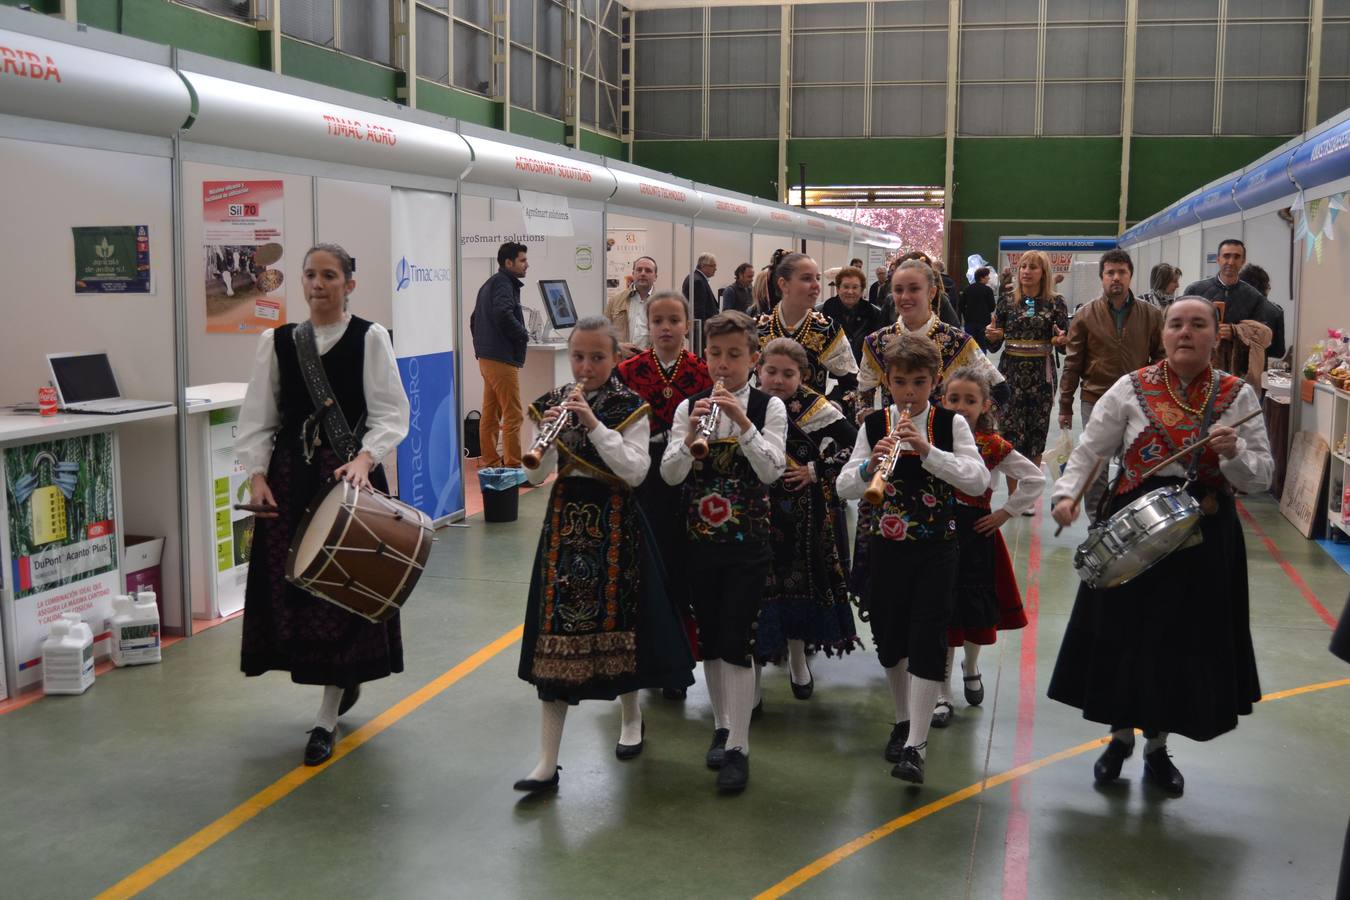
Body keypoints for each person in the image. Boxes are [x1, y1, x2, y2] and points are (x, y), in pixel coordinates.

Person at [1048, 296, 1273, 798]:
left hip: (1204, 536)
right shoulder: (1131, 387)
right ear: (1163, 335)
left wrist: (1234, 456)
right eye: (1176, 324)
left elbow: (1261, 478)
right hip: (1132, 529)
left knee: (1180, 643)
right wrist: (1066, 496)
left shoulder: (1239, 396)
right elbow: (1092, 449)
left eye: (1198, 325)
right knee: (1124, 636)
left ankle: (1156, 747)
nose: (1185, 333)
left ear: (1217, 336)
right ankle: (1120, 738)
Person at [238, 243, 411, 766]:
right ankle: (338, 684)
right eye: (310, 275)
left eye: (329, 275)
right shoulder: (278, 342)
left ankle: (326, 715)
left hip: (348, 479)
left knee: (343, 592)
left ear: (349, 283)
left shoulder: (369, 337)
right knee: (298, 591)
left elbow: (390, 413)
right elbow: (260, 417)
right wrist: (257, 475)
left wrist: (365, 459)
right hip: (292, 481)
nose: (318, 284)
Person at [514, 316, 695, 795]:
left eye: (597, 357)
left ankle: (631, 719)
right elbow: (533, 478)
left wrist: (592, 425)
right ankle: (547, 761)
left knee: (624, 624)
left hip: (615, 521)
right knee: (554, 633)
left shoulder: (629, 406)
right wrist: (546, 434)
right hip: (564, 524)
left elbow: (636, 471)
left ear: (616, 359)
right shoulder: (550, 404)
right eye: (578, 356)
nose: (586, 366)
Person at [836, 334, 989, 786]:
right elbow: (844, 485)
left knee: (927, 636)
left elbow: (977, 480)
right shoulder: (872, 426)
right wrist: (869, 467)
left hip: (937, 548)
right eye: (900, 382)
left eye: (918, 384)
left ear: (934, 382)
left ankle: (916, 746)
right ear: (887, 380)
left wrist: (927, 451)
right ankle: (903, 720)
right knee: (890, 637)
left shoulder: (950, 424)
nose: (908, 393)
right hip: (884, 546)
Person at [661, 311, 787, 793]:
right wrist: (691, 436)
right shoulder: (688, 407)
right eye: (715, 354)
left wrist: (742, 424)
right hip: (700, 540)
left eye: (735, 355)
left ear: (754, 358)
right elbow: (670, 475)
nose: (723, 365)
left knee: (737, 639)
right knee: (711, 638)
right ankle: (722, 724)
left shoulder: (768, 406)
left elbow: (772, 471)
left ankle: (739, 744)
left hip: (748, 540)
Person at [931, 367, 1041, 727]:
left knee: (974, 608)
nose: (961, 407)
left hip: (976, 533)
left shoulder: (992, 445)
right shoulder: (932, 438)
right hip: (938, 534)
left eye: (970, 400)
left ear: (985, 405)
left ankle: (972, 665)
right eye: (954, 399)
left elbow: (1034, 478)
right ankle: (942, 691)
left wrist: (1005, 513)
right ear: (942, 401)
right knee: (943, 609)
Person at [617, 291, 713, 700]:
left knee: (681, 568)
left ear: (686, 324)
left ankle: (679, 662)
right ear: (649, 325)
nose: (666, 328)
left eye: (674, 320)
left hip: (690, 476)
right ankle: (645, 657)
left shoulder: (704, 371)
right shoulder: (628, 371)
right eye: (658, 320)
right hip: (642, 476)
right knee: (646, 566)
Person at [755, 337, 862, 700]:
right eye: (771, 371)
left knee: (800, 584)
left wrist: (815, 470)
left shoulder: (818, 408)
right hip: (754, 513)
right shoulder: (748, 405)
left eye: (788, 374)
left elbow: (854, 448)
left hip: (803, 515)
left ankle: (799, 660)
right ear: (758, 369)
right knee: (757, 589)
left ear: (803, 375)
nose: (778, 380)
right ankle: (752, 675)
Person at [1057, 249, 1164, 521]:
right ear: (1102, 277)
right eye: (1110, 273)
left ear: (1130, 276)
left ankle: (1134, 520)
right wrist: (1065, 405)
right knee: (1097, 463)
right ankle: (1098, 521)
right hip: (1096, 398)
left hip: (1138, 399)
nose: (1116, 278)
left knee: (1136, 460)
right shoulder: (1085, 315)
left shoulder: (1151, 315)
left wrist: (1155, 391)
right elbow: (1072, 363)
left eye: (1122, 272)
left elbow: (1162, 356)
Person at [984, 250, 1069, 496]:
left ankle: (1029, 494)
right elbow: (993, 343)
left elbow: (1063, 341)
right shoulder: (1007, 300)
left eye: (1033, 267)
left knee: (1036, 434)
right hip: (1010, 374)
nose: (1026, 272)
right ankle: (1013, 494)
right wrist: (992, 336)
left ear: (1044, 273)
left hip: (1041, 377)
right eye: (1023, 267)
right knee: (1010, 433)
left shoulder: (1056, 301)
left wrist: (1060, 339)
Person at [756, 253, 859, 404]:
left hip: (812, 423)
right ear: (783, 284)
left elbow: (853, 384)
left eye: (817, 278)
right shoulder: (758, 327)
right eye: (806, 278)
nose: (816, 285)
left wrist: (837, 405)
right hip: (764, 420)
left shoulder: (828, 329)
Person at [1183, 239, 1285, 377]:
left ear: (1243, 261)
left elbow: (1262, 337)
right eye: (1226, 256)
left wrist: (1236, 332)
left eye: (1236, 257)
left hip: (1238, 372)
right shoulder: (1195, 290)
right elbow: (1180, 325)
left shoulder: (1254, 297)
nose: (1230, 262)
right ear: (1218, 259)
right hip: (1200, 366)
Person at [470, 241, 531, 468]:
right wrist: (523, 334)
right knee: (513, 415)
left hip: (487, 358)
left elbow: (474, 319)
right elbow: (503, 314)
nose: (527, 265)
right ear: (508, 263)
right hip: (501, 359)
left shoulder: (490, 284)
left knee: (491, 414)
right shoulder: (504, 284)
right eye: (522, 260)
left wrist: (481, 346)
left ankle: (492, 464)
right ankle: (514, 467)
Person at [819, 265, 884, 363]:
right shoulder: (825, 310)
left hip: (862, 371)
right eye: (845, 287)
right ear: (837, 288)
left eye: (855, 287)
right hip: (831, 373)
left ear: (862, 290)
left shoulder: (873, 313)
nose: (850, 292)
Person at [604, 255, 659, 358]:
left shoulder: (664, 304)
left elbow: (676, 341)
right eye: (639, 270)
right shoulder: (615, 301)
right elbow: (602, 334)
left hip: (651, 367)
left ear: (655, 276)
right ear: (633, 274)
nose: (643, 273)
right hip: (621, 365)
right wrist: (618, 346)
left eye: (648, 271)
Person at [1238, 262, 1287, 370]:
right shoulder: (1275, 311)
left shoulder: (1230, 305)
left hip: (1231, 368)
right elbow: (1278, 352)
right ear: (1265, 286)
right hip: (1259, 370)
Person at [958, 266, 997, 351]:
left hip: (969, 321)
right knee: (982, 345)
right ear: (982, 277)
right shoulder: (988, 290)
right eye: (987, 275)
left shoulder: (967, 289)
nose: (989, 277)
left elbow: (961, 305)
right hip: (984, 322)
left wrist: (966, 314)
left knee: (970, 344)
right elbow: (992, 307)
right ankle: (982, 363)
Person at [682, 252, 720, 322]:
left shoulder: (697, 278)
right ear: (703, 266)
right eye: (713, 266)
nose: (715, 269)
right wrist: (703, 330)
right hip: (702, 328)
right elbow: (698, 311)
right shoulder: (698, 281)